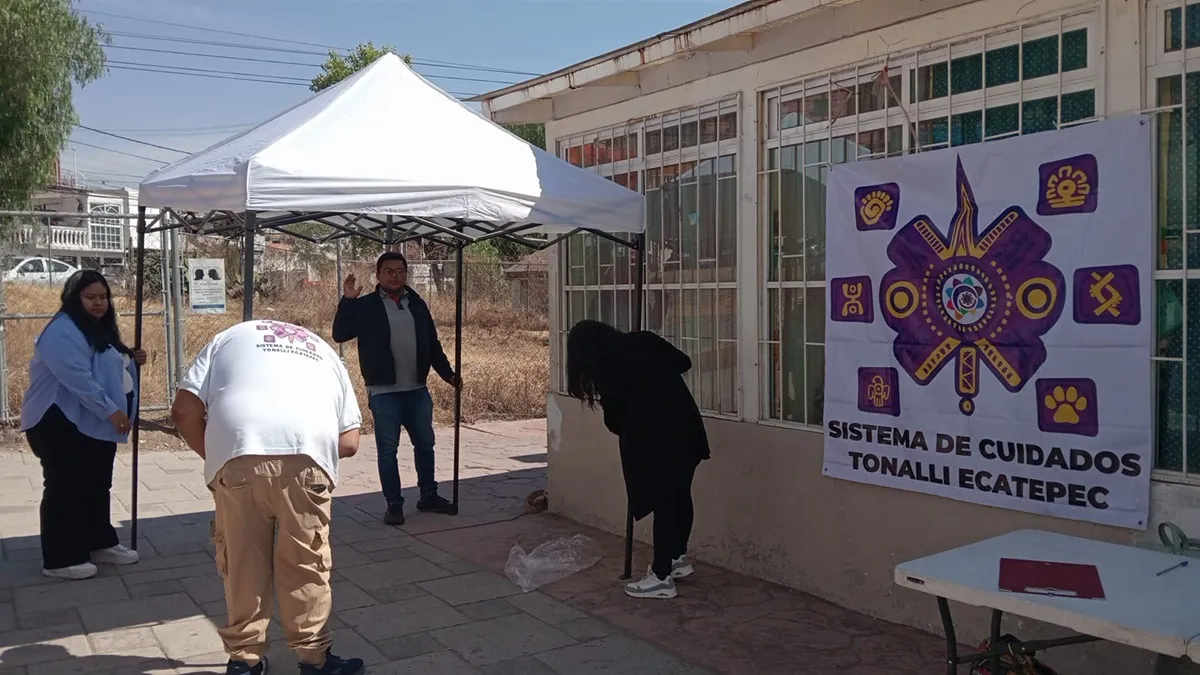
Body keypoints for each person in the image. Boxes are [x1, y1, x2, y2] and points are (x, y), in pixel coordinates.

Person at [171, 320, 364, 675]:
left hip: (238, 458)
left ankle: (244, 661)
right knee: (306, 561)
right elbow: (350, 441)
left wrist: (220, 461)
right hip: (308, 463)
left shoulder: (226, 338)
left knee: (242, 560)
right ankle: (314, 660)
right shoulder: (325, 352)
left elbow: (183, 411)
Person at [565, 320, 710, 600]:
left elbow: (615, 421)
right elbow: (683, 361)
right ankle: (677, 558)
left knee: (665, 505)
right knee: (680, 497)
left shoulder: (609, 370)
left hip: (655, 445)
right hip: (687, 432)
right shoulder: (645, 341)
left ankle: (660, 577)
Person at [22, 270, 146, 580]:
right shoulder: (62, 331)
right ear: (74, 298)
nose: (98, 303)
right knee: (66, 487)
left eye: (103, 297)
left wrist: (130, 357)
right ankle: (61, 558)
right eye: (90, 297)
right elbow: (79, 379)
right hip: (58, 421)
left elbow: (107, 362)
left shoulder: (97, 328)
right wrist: (112, 412)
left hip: (92, 423)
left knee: (95, 483)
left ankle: (98, 543)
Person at [332, 251, 459, 526]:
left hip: (417, 390)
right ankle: (394, 504)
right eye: (388, 271)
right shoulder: (365, 306)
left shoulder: (417, 303)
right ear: (378, 274)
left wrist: (448, 374)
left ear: (406, 274)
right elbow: (340, 334)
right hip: (383, 392)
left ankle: (428, 495)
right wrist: (348, 301)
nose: (394, 275)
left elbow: (432, 344)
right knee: (388, 450)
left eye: (400, 271)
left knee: (425, 444)